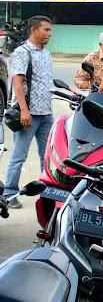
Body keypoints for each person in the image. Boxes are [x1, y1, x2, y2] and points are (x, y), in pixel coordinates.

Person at [4, 16, 53, 209]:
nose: (49, 33)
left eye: (50, 30)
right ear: (34, 30)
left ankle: (47, 191)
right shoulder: (22, 53)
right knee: (19, 156)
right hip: (28, 115)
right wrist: (24, 110)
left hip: (46, 113)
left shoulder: (46, 53)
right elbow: (17, 83)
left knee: (47, 155)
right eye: (46, 30)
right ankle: (9, 193)